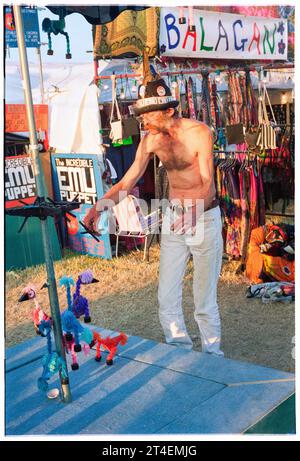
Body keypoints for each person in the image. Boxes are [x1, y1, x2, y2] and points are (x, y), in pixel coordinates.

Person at [83, 78, 224, 356]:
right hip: (174, 218)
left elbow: (208, 182)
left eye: (149, 113)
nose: (144, 120)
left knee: (204, 300)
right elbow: (126, 183)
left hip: (204, 217)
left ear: (169, 110)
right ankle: (180, 350)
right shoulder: (150, 141)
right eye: (142, 114)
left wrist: (196, 209)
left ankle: (212, 356)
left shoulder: (199, 132)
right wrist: (99, 207)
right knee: (166, 296)